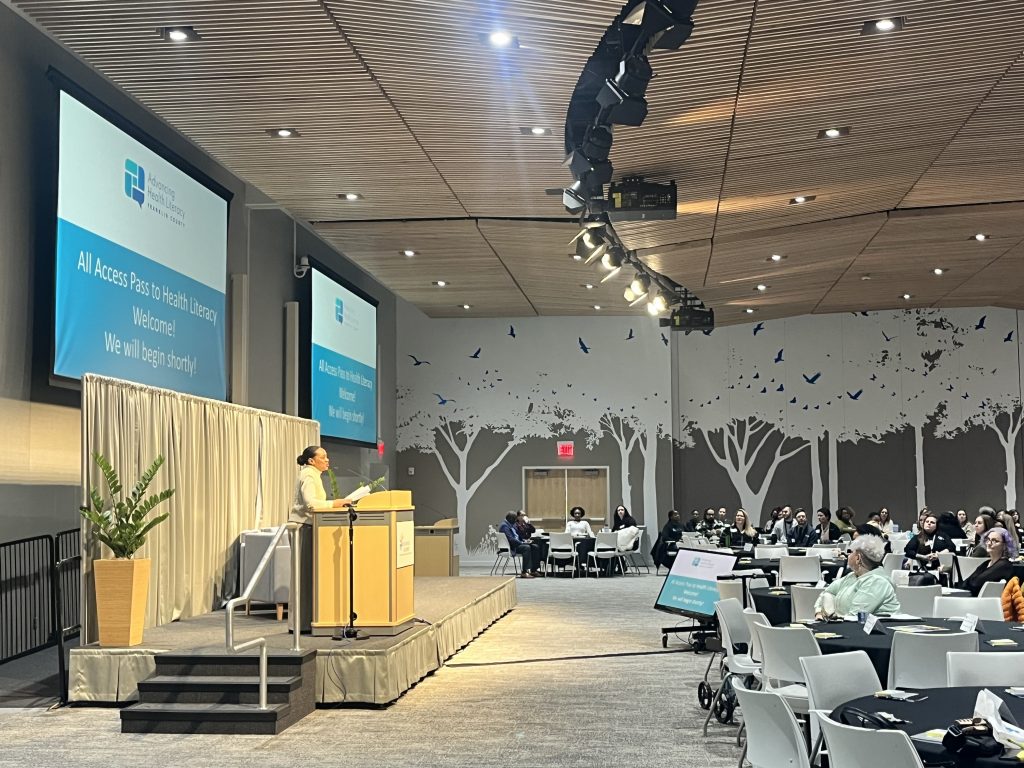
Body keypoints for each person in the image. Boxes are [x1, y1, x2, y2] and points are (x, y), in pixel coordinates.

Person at [289, 445, 357, 633]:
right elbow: (311, 503)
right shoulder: (309, 476)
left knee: (307, 576)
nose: (327, 460)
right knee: (302, 576)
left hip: (310, 526)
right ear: (312, 461)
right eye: (323, 457)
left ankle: (304, 622)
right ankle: (299, 624)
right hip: (303, 527)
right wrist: (335, 503)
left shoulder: (313, 475)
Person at [813, 535, 900, 619]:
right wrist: (819, 611)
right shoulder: (853, 575)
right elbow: (827, 592)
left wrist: (832, 614)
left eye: (851, 552)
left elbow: (855, 617)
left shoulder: (877, 582)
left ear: (858, 558)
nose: (847, 555)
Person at [960, 527, 1018, 597]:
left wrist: (967, 585)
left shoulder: (1004, 565)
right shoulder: (987, 563)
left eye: (995, 541)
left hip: (984, 604)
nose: (989, 543)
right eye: (988, 539)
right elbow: (966, 583)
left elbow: (975, 583)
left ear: (1005, 546)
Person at [500, 512, 541, 578]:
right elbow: (511, 539)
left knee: (535, 547)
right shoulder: (504, 526)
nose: (515, 521)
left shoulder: (510, 525)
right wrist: (521, 543)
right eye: (515, 519)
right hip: (512, 547)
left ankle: (533, 570)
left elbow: (517, 536)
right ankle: (524, 572)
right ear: (511, 519)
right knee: (526, 548)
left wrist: (524, 541)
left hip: (517, 544)